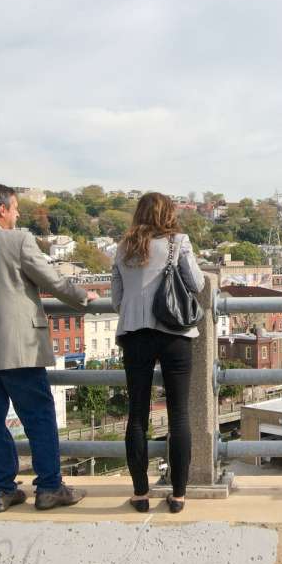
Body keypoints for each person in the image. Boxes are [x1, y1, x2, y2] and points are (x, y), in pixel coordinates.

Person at [0, 184, 97, 512]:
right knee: (38, 416)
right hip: (20, 346)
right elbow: (52, 280)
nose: (17, 214)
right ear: (2, 209)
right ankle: (49, 487)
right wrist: (84, 298)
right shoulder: (18, 240)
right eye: (15, 208)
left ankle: (2, 490)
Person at [112, 192, 205, 513]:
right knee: (178, 414)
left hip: (135, 334)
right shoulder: (178, 242)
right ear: (169, 214)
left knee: (137, 415)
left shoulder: (124, 246)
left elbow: (116, 297)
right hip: (174, 334)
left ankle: (140, 493)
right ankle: (178, 495)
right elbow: (197, 284)